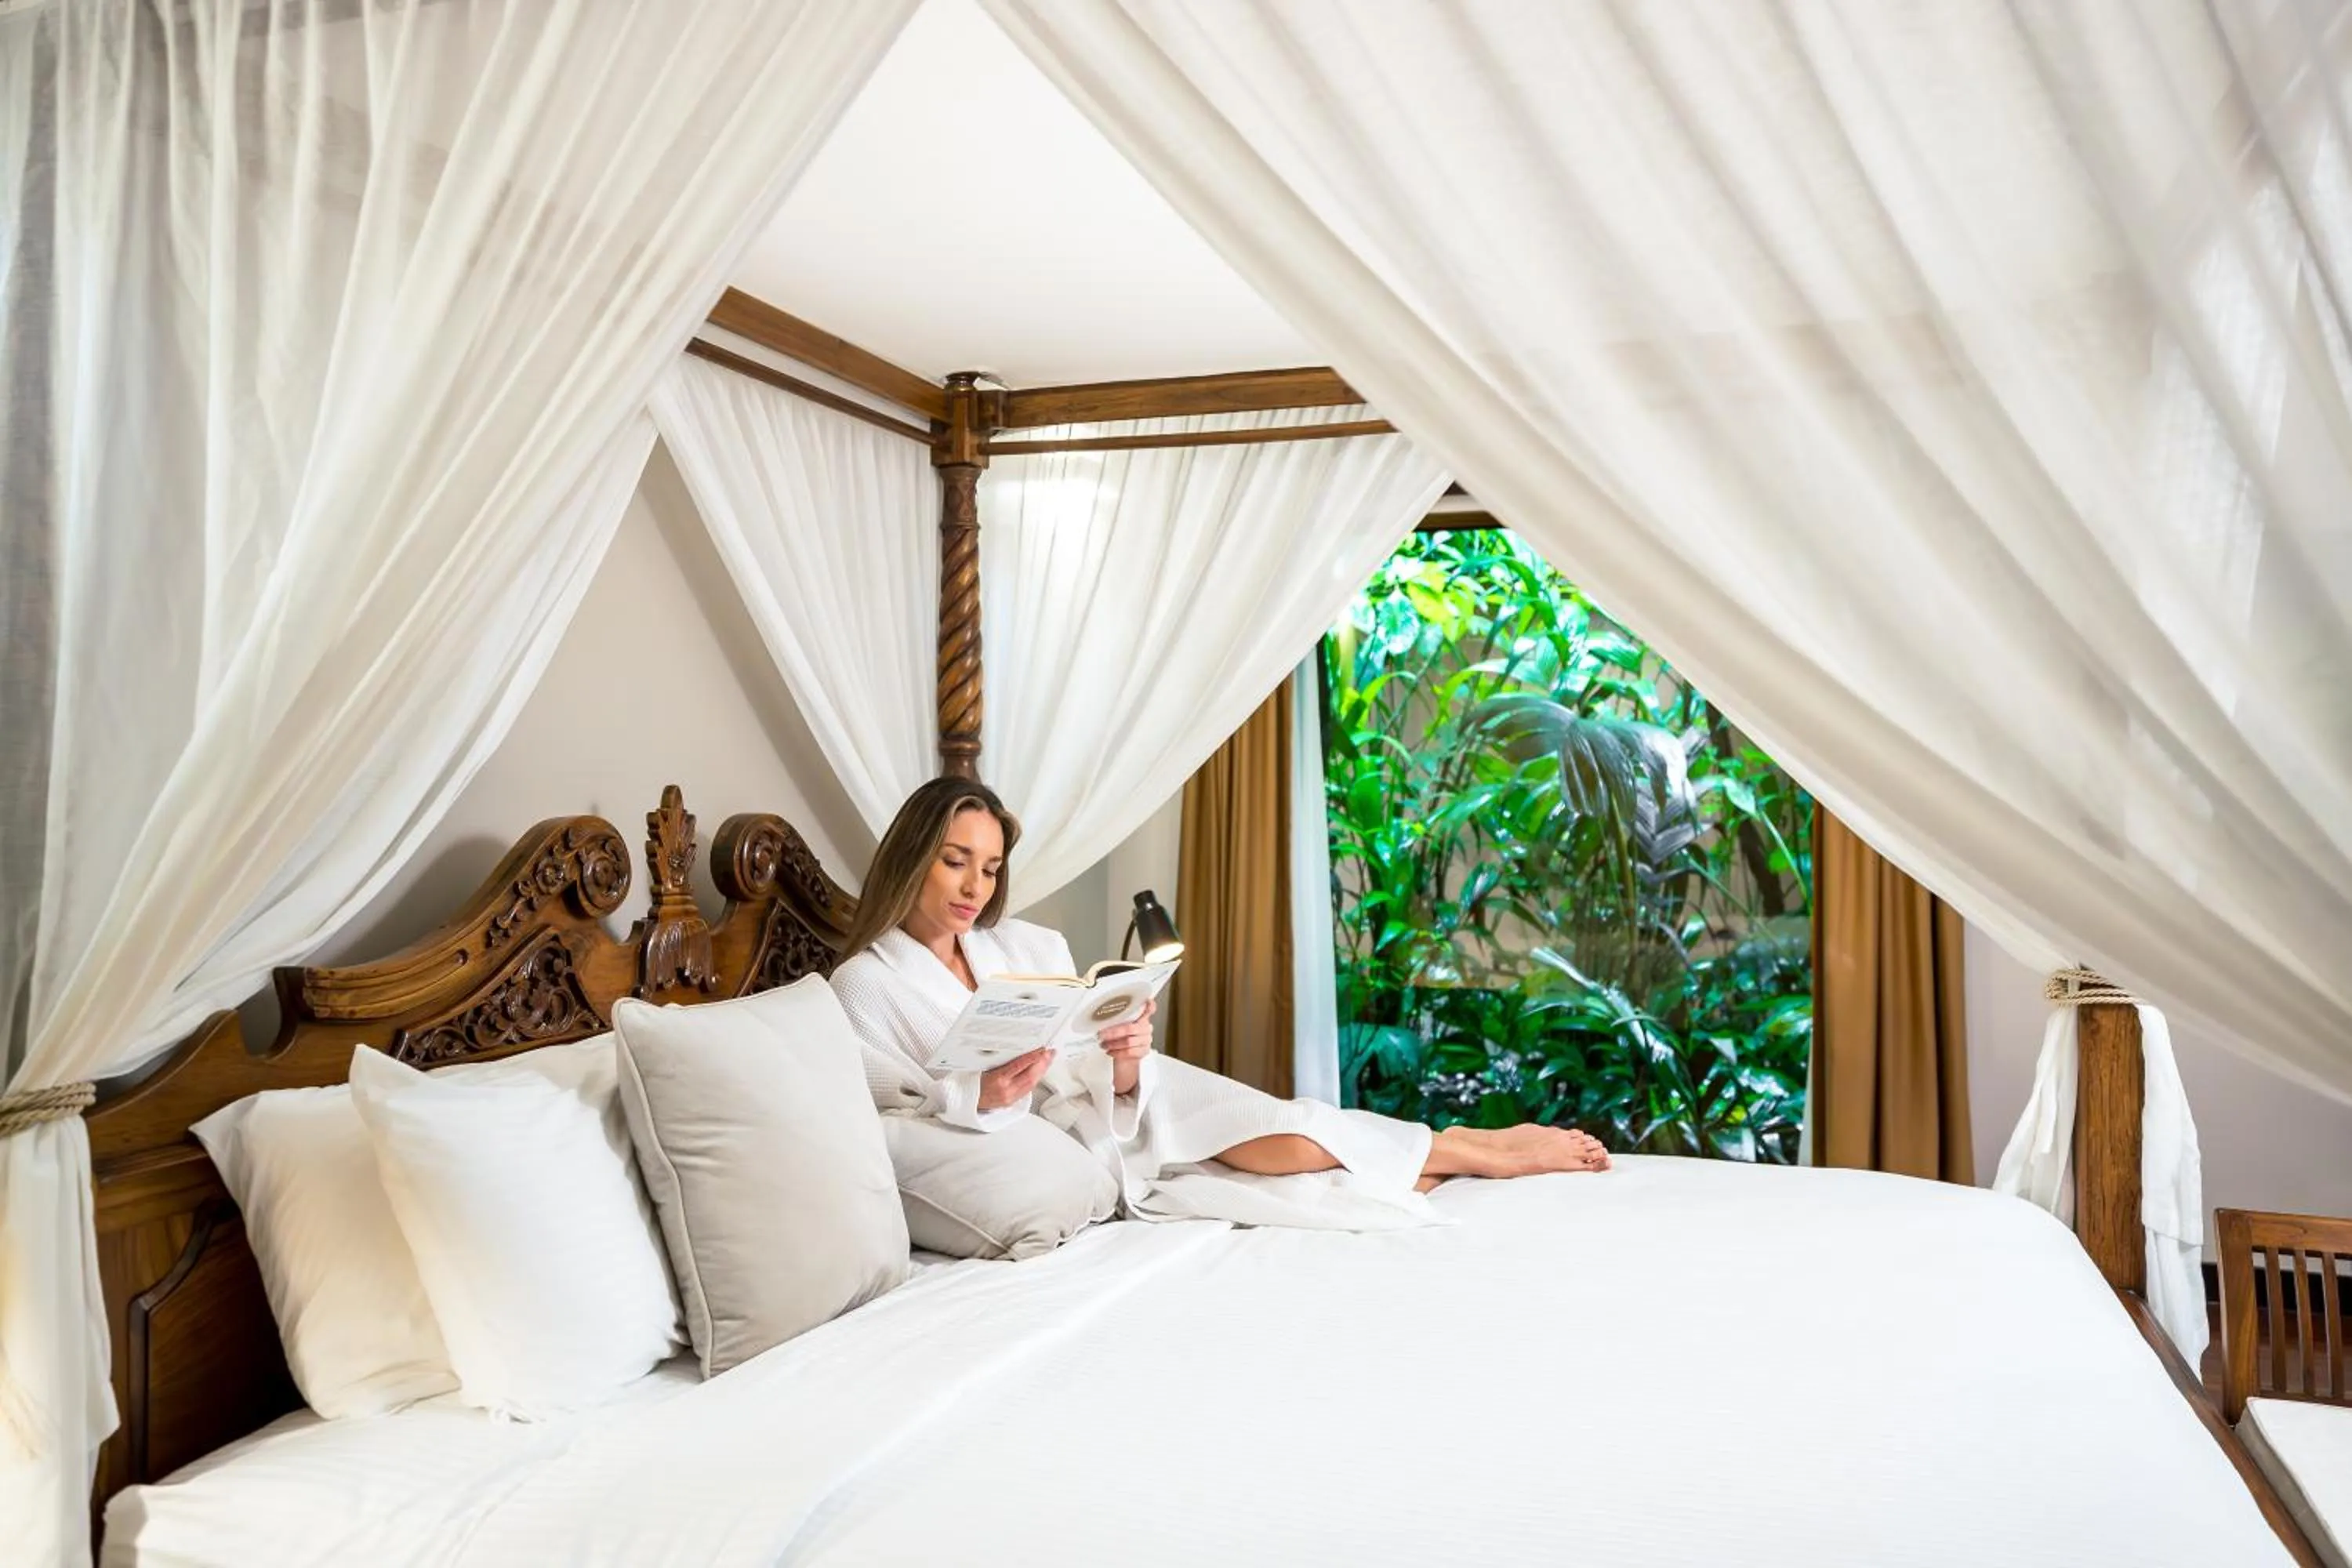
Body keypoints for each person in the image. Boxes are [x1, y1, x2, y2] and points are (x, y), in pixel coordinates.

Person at [829, 777, 1609, 1230]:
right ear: (912, 856)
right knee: (1269, 1169)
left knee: (1284, 1123)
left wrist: (1125, 1060)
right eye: (956, 862)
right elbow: (887, 1119)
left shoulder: (1027, 948)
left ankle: (1462, 1145)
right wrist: (980, 1093)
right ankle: (1459, 1148)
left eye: (991, 868)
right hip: (1066, 1139)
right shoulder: (866, 983)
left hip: (1115, 1105)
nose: (976, 888)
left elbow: (1076, 1047)